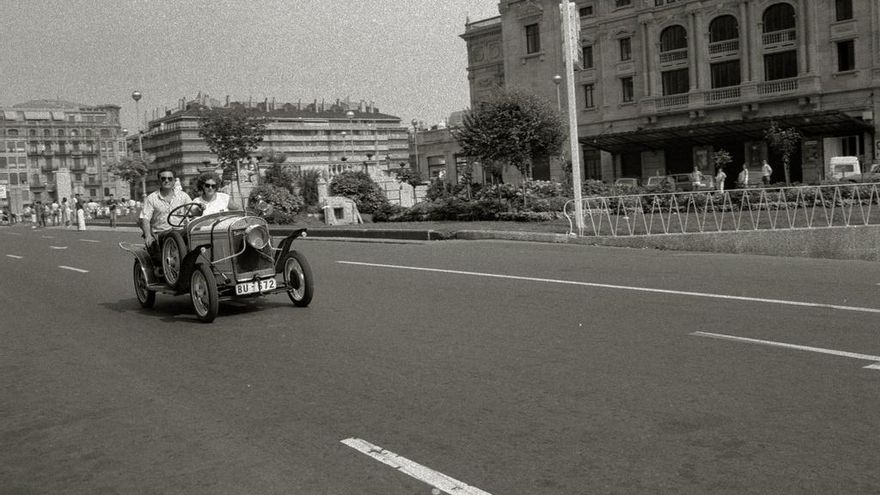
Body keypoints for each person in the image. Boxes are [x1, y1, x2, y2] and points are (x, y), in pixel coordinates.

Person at [140, 168, 192, 264]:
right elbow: (145, 218)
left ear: (174, 181)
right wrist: (148, 236)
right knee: (173, 234)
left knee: (192, 234)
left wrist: (200, 208)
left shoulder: (183, 196)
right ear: (159, 180)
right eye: (163, 178)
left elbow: (193, 211)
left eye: (169, 178)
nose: (166, 181)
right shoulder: (151, 198)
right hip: (161, 233)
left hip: (181, 231)